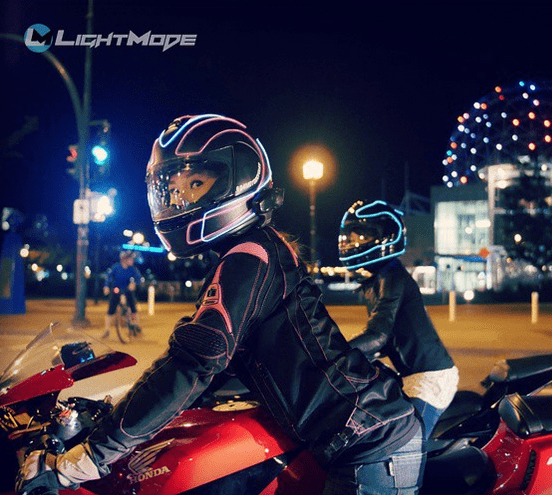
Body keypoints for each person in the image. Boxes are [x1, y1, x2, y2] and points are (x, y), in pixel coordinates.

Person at [17, 114, 426, 495]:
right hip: (351, 432)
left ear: (238, 180)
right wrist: (111, 414)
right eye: (175, 189)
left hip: (369, 442)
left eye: (196, 185)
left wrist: (90, 458)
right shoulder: (242, 258)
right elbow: (192, 356)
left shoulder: (251, 257)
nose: (180, 199)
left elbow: (192, 366)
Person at [339, 200, 459, 440]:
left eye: (361, 236)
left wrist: (335, 352)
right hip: (412, 376)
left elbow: (378, 335)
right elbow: (382, 339)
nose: (353, 243)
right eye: (350, 237)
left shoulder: (391, 276)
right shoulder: (379, 278)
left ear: (386, 236)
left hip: (430, 380)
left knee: (405, 444)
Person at [101, 250, 143, 339]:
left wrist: (134, 283)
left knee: (133, 308)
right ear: (124, 259)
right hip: (116, 289)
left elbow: (139, 278)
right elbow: (108, 277)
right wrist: (106, 286)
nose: (132, 261)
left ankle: (136, 324)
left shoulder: (132, 269)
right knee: (110, 310)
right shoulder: (116, 267)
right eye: (130, 259)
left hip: (127, 290)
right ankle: (106, 330)